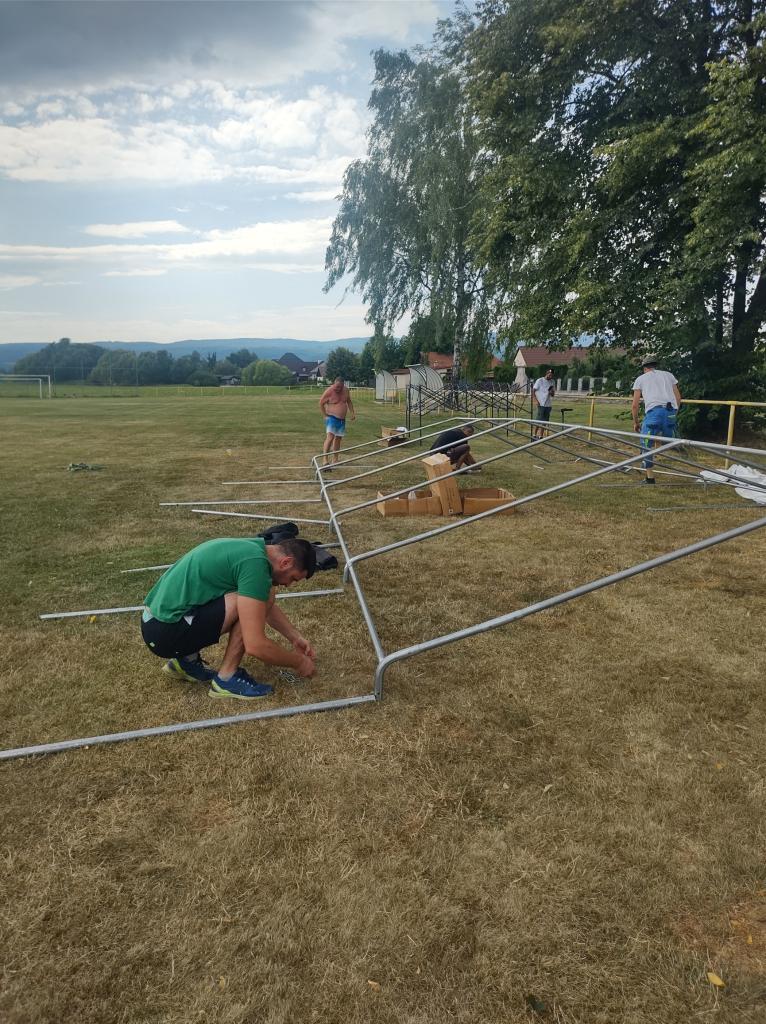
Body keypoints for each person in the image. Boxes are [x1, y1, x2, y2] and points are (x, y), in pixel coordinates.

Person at [140, 537, 317, 700]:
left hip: (154, 622)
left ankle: (186, 662)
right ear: (286, 562)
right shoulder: (255, 565)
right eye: (293, 578)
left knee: (261, 594)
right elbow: (256, 646)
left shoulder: (252, 549)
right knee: (256, 598)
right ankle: (226, 678)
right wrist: (299, 662)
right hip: (164, 632)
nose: (287, 585)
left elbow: (259, 603)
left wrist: (294, 637)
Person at [631, 354, 682, 484]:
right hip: (670, 411)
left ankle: (650, 478)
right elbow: (678, 398)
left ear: (644, 368)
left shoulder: (641, 379)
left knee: (646, 443)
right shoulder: (669, 375)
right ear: (655, 365)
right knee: (670, 442)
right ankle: (677, 451)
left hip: (654, 413)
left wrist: (636, 422)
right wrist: (674, 414)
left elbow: (635, 405)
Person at [319, 376, 356, 468]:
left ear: (343, 385)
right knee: (330, 437)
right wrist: (325, 415)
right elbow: (321, 403)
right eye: (336, 386)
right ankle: (325, 460)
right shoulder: (329, 391)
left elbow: (349, 401)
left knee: (338, 438)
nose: (337, 389)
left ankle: (335, 459)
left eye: (340, 387)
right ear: (334, 384)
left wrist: (352, 413)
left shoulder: (346, 390)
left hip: (342, 420)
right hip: (331, 417)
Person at [532, 368, 555, 438]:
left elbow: (553, 395)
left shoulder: (552, 382)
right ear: (547, 373)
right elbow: (533, 391)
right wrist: (535, 400)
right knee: (539, 419)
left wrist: (551, 392)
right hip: (541, 403)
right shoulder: (540, 380)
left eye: (552, 376)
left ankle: (541, 435)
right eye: (549, 375)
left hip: (548, 404)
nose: (550, 377)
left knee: (545, 421)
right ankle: (534, 434)